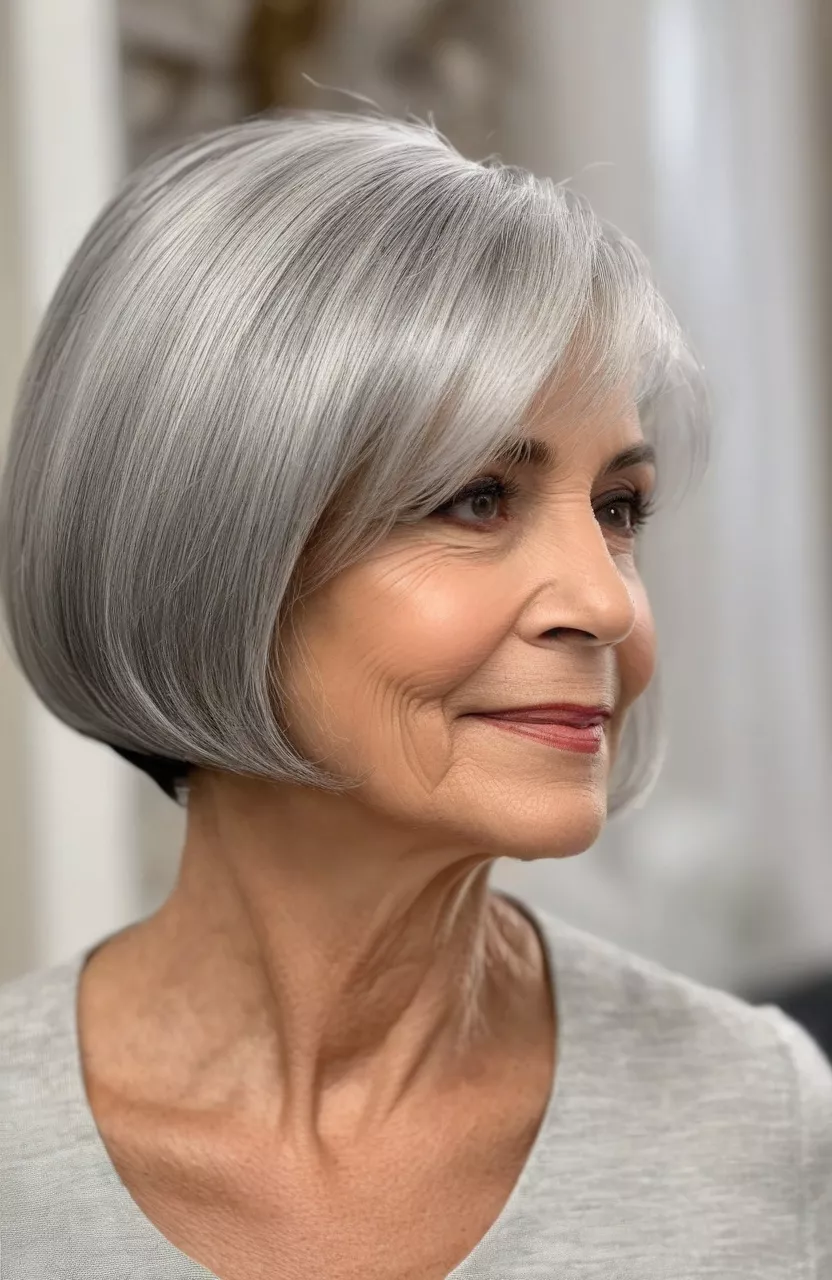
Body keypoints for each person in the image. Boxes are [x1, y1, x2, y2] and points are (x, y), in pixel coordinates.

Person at [0, 111, 829, 1280]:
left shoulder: (759, 1114)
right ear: (204, 539)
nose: (605, 601)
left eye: (618, 508)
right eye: (477, 497)